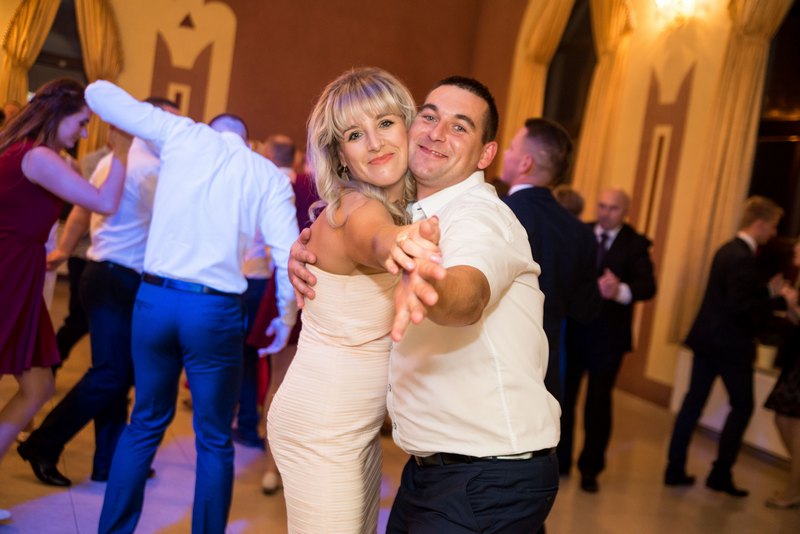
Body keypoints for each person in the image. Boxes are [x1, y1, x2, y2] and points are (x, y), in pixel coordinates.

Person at [292, 75, 561, 533]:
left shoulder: (478, 216)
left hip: (484, 474)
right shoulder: (408, 214)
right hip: (438, 468)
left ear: (486, 155)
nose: (437, 133)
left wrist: (430, 286)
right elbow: (369, 237)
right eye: (429, 117)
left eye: (459, 127)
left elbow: (468, 294)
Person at [83, 81, 299, 534]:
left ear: (209, 128)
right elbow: (287, 255)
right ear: (246, 139)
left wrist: (161, 122)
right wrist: (285, 318)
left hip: (155, 299)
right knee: (214, 439)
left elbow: (98, 93)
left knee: (144, 423)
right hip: (213, 310)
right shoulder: (266, 173)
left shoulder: (180, 133)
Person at [267, 67, 443, 534]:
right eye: (354, 134)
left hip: (354, 428)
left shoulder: (393, 206)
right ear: (340, 156)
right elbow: (376, 238)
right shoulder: (358, 210)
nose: (375, 142)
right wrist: (400, 243)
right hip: (321, 430)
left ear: (408, 126)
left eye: (384, 123)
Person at [16, 98, 179, 488]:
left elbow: (83, 211)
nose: (176, 132)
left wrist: (64, 249)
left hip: (107, 275)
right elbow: (173, 227)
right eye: (170, 122)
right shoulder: (150, 167)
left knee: (118, 373)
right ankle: (43, 444)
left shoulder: (121, 160)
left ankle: (107, 462)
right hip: (115, 278)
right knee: (111, 373)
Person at [0, 78, 129, 522]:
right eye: (81, 122)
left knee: (38, 387)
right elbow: (104, 201)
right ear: (58, 116)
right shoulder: (37, 156)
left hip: (20, 268)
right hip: (7, 269)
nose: (84, 132)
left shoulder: (35, 153)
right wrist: (122, 150)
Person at [666, 196, 785, 497]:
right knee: (742, 406)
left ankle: (674, 468)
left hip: (707, 339)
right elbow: (739, 305)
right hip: (729, 345)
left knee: (692, 404)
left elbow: (732, 296)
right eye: (773, 226)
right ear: (760, 224)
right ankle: (720, 474)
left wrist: (764, 292)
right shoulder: (743, 257)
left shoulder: (726, 249)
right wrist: (774, 298)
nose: (774, 233)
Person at [560, 188, 657, 492]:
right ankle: (560, 461)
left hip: (608, 338)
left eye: (613, 208)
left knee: (598, 405)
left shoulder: (635, 243)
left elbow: (648, 286)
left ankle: (590, 468)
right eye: (601, 206)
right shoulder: (582, 232)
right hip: (574, 331)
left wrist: (619, 291)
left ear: (625, 211)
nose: (605, 213)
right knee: (564, 400)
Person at [500, 118, 601, 402]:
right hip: (546, 370)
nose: (505, 153)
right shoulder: (580, 233)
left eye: (511, 148)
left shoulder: (498, 213)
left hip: (495, 364)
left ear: (525, 163)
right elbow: (586, 310)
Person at [764, 237, 800, 509]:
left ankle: (794, 489)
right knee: (783, 418)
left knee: (791, 420)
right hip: (795, 358)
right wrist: (785, 300)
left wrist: (791, 303)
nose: (795, 248)